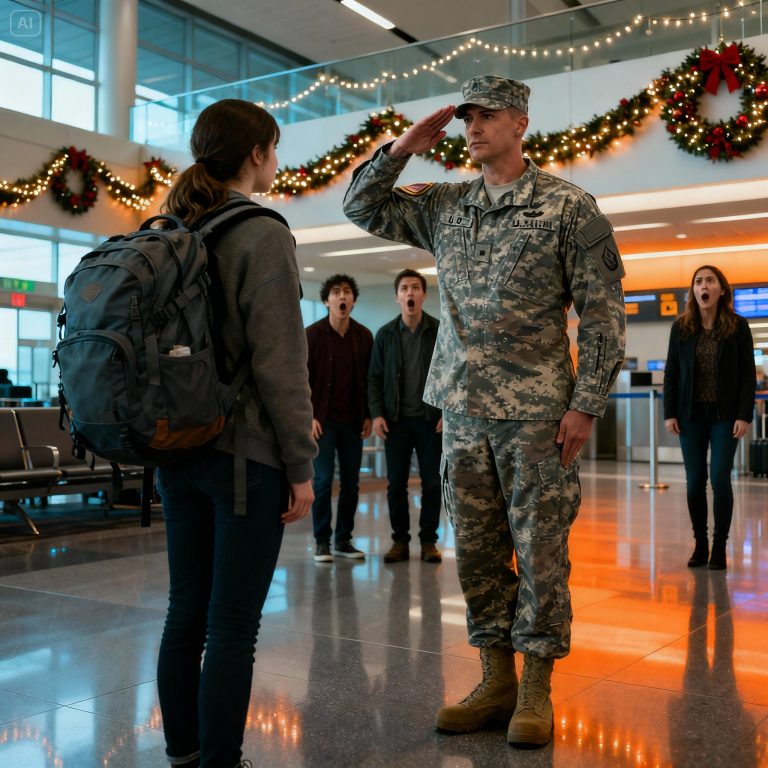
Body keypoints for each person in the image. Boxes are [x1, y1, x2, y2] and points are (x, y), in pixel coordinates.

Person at [343, 76, 626, 748]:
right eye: (466, 118)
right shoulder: (446, 204)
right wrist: (402, 149)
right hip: (463, 413)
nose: (472, 128)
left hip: (537, 415)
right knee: (475, 551)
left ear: (520, 122)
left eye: (487, 116)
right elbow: (360, 205)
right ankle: (495, 678)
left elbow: (604, 314)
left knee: (540, 552)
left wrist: (586, 405)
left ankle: (536, 687)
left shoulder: (567, 206)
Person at [156, 99, 316, 768]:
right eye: (273, 149)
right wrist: (302, 466)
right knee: (231, 625)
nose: (275, 161)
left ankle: (184, 754)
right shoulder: (261, 232)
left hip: (174, 450)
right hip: (243, 458)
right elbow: (281, 362)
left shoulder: (171, 228)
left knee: (185, 612)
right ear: (256, 154)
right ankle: (220, 762)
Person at [663, 265, 755, 571]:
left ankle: (719, 546)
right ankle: (700, 544)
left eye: (710, 281)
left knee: (719, 478)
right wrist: (669, 412)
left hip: (725, 417)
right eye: (698, 281)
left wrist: (744, 415)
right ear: (693, 291)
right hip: (690, 416)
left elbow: (747, 376)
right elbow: (671, 372)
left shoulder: (738, 326)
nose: (704, 286)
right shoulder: (681, 327)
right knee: (694, 483)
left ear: (721, 289)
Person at [368, 268, 443, 563]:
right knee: (396, 484)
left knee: (432, 483)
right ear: (397, 297)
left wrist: (447, 413)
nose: (410, 292)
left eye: (415, 287)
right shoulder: (385, 335)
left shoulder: (438, 331)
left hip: (430, 421)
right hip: (395, 421)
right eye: (404, 288)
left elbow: (451, 375)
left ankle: (429, 541)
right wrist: (376, 414)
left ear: (423, 295)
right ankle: (399, 541)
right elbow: (374, 378)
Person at [306, 274, 373, 562]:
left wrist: (369, 414)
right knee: (322, 481)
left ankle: (343, 540)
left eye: (346, 291)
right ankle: (322, 541)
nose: (342, 296)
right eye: (335, 292)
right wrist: (309, 416)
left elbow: (370, 379)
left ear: (353, 300)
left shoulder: (364, 336)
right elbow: (302, 380)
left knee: (351, 483)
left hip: (353, 422)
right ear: (326, 301)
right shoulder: (312, 335)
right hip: (322, 422)